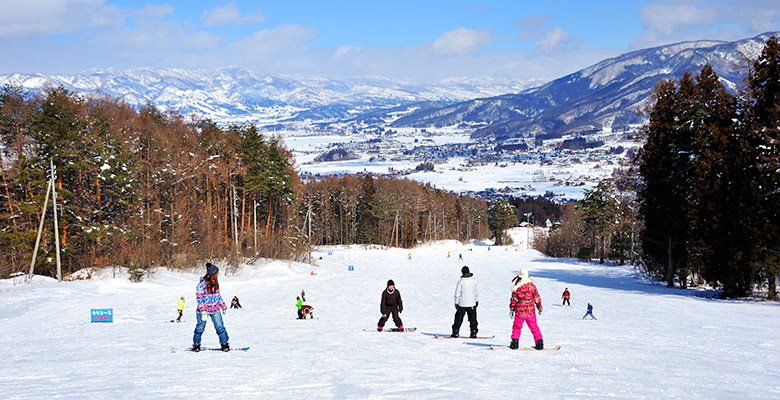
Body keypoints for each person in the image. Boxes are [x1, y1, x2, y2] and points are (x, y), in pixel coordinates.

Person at [192, 263, 229, 352]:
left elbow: (218, 296)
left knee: (220, 327)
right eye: (217, 273)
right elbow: (199, 299)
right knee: (200, 328)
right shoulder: (201, 285)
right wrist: (203, 311)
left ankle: (224, 344)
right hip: (203, 310)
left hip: (215, 309)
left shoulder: (215, 283)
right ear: (213, 274)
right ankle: (196, 345)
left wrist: (223, 307)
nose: (218, 275)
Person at [509, 269, 544, 350]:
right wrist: (540, 308)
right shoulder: (532, 286)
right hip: (530, 311)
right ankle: (539, 342)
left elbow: (513, 299)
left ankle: (515, 342)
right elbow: (537, 298)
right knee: (534, 327)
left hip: (519, 311)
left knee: (517, 327)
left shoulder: (517, 287)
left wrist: (511, 308)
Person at [452, 266, 479, 338]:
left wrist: (456, 302)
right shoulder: (474, 281)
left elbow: (457, 293)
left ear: (462, 272)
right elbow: (476, 292)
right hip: (472, 303)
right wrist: (476, 300)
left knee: (458, 318)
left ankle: (455, 332)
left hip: (462, 304)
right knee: (473, 319)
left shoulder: (461, 281)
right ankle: (473, 332)